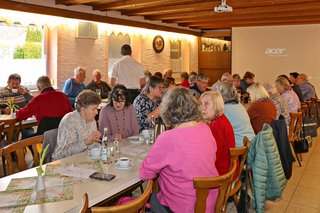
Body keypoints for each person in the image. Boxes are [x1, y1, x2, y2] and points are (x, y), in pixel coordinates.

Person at [139, 87, 219, 213]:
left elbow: (145, 174)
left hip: (181, 207)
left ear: (167, 110)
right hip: (208, 204)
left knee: (149, 199)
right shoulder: (205, 128)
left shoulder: (168, 138)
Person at [52, 90, 101, 160]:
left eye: (97, 108)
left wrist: (100, 146)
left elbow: (93, 145)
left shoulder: (92, 120)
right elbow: (61, 153)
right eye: (93, 109)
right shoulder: (69, 120)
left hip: (84, 159)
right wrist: (86, 142)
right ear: (82, 109)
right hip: (65, 163)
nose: (96, 112)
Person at [200, 91, 235, 175]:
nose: (202, 107)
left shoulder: (217, 125)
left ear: (216, 106)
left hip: (222, 175)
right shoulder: (220, 119)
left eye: (206, 104)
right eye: (201, 103)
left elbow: (214, 157)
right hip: (226, 169)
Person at [218, 82, 255, 147]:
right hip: (251, 142)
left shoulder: (224, 109)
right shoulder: (239, 105)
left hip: (240, 148)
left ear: (221, 94)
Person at [0, 73, 34, 139]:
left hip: (24, 121)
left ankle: (29, 148)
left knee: (30, 137)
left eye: (17, 83)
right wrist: (4, 111)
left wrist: (25, 93)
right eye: (12, 83)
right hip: (10, 123)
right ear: (8, 82)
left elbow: (33, 102)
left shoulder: (24, 90)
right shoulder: (2, 92)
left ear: (20, 83)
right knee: (13, 139)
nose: (15, 86)